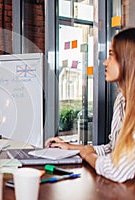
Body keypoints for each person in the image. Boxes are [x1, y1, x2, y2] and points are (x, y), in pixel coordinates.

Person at [46, 27, 135, 183]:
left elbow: (117, 170)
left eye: (112, 55)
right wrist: (71, 148)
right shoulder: (122, 101)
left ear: (128, 60)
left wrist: (88, 154)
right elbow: (113, 149)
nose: (105, 62)